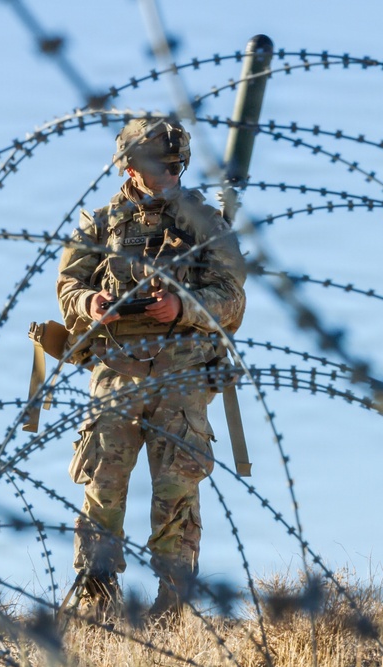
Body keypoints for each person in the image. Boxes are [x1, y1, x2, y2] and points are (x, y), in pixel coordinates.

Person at [56, 116, 246, 623]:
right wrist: (91, 302)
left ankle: (173, 600)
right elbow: (68, 288)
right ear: (126, 165)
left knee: (177, 486)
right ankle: (96, 592)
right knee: (102, 483)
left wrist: (181, 307)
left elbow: (232, 301)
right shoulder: (98, 225)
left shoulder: (206, 224)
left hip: (182, 373)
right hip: (116, 370)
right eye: (151, 165)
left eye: (171, 165)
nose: (162, 174)